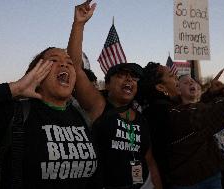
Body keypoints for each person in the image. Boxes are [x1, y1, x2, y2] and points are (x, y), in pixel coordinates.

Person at [0, 4, 98, 189]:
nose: (65, 65)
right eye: (54, 61)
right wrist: (15, 88)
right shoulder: (16, 113)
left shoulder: (81, 116)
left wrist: (79, 25)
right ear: (36, 73)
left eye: (69, 63)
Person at [67, 1, 162, 188]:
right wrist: (78, 25)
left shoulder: (141, 118)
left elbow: (149, 160)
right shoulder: (99, 105)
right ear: (107, 84)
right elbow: (76, 70)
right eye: (121, 76)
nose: (129, 80)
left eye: (134, 78)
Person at [138, 62, 224, 189]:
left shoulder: (161, 109)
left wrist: (209, 94)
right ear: (160, 87)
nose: (177, 79)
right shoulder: (166, 113)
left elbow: (193, 116)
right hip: (197, 182)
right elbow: (210, 113)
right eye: (172, 76)